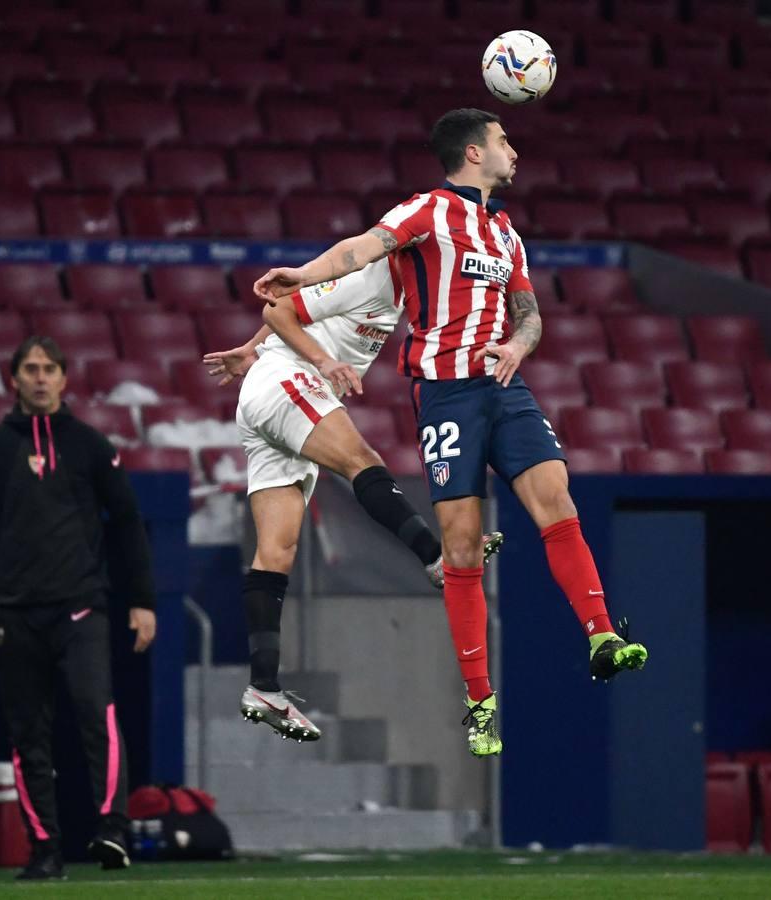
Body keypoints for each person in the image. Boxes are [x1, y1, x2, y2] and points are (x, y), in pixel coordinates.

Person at [253, 108, 648, 758]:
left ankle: (601, 634)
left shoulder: (506, 232)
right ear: (473, 152)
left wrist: (519, 345)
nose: (513, 151)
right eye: (503, 140)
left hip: (503, 387)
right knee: (462, 545)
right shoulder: (428, 212)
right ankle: (480, 700)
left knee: (557, 496)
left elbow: (530, 313)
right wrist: (305, 273)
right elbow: (362, 248)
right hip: (447, 394)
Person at [203, 260, 502, 742]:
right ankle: (434, 558)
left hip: (268, 392)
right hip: (288, 382)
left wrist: (248, 350)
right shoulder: (374, 275)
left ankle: (263, 686)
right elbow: (281, 312)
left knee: (277, 552)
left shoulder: (411, 293)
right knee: (362, 458)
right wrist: (321, 361)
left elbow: (295, 311)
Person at [0, 335, 157, 881]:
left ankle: (113, 829)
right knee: (28, 736)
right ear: (13, 379)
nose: (40, 378)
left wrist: (142, 600)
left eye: (49, 369)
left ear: (65, 379)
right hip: (15, 613)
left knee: (97, 715)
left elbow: (128, 522)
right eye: (30, 369)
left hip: (81, 607)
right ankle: (44, 849)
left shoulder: (89, 444)